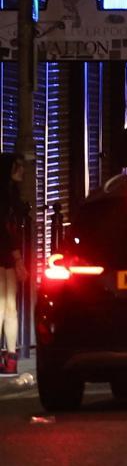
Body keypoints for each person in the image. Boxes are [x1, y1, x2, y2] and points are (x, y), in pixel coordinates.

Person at [0, 155, 22, 375]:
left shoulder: (10, 194)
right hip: (6, 253)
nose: (22, 170)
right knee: (8, 307)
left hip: (5, 254)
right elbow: (8, 229)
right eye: (18, 166)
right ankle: (11, 356)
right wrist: (17, 257)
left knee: (5, 306)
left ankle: (9, 357)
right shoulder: (10, 196)